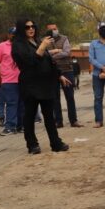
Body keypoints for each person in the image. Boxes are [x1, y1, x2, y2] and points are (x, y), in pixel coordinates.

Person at [11, 18, 70, 154]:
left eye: (32, 26)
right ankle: (32, 145)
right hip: (30, 85)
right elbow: (29, 62)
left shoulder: (37, 41)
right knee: (30, 116)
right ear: (21, 29)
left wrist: (59, 75)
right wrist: (43, 47)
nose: (31, 29)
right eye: (27, 27)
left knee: (49, 115)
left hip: (45, 84)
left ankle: (56, 143)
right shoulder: (18, 45)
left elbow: (48, 61)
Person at [44, 23, 81, 128]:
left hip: (66, 70)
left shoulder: (65, 38)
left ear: (58, 29)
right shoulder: (45, 41)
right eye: (51, 29)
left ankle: (73, 120)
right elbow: (43, 53)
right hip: (52, 71)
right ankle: (58, 121)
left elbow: (66, 52)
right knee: (55, 98)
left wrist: (51, 55)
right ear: (48, 30)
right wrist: (56, 51)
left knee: (70, 96)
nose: (54, 31)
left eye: (55, 28)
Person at [0, 27, 24, 135]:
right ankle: (10, 126)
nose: (14, 36)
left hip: (22, 79)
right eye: (12, 34)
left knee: (22, 104)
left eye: (17, 34)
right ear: (8, 35)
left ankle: (21, 126)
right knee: (12, 103)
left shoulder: (23, 45)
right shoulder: (1, 46)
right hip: (8, 80)